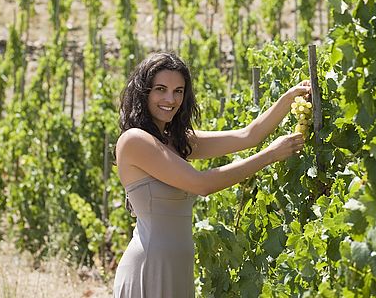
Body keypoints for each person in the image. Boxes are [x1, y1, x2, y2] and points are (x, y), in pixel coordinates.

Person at [112, 51, 311, 298]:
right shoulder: (134, 141)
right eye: (160, 89)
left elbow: (248, 136)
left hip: (178, 267)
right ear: (144, 93)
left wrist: (290, 97)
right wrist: (269, 155)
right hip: (150, 266)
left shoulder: (174, 141)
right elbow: (202, 184)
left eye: (178, 91)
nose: (170, 99)